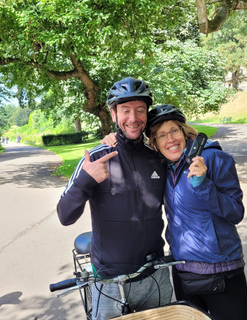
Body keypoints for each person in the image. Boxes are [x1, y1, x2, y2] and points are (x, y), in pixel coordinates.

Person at [57, 77, 172, 320]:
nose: (133, 118)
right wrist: (85, 181)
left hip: (155, 275)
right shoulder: (96, 158)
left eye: (140, 110)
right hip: (110, 281)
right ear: (113, 114)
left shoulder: (157, 157)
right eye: (126, 111)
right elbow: (64, 215)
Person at [146, 104, 247, 320]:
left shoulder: (213, 158)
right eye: (161, 135)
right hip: (183, 271)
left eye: (174, 130)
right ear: (154, 144)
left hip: (222, 271)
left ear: (184, 131)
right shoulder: (164, 167)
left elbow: (235, 212)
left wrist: (204, 185)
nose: (170, 139)